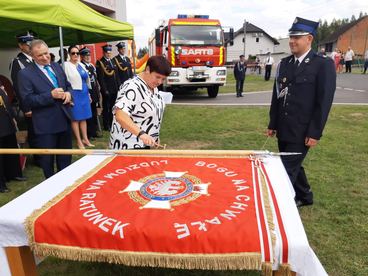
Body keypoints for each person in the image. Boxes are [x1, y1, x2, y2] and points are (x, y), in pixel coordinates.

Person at [267, 17, 336, 207]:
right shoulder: (285, 63)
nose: (292, 41)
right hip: (284, 127)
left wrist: (315, 133)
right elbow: (277, 96)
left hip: (303, 130)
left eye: (297, 37)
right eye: (291, 36)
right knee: (292, 162)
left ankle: (281, 204)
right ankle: (305, 196)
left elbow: (324, 102)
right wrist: (273, 123)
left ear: (309, 39)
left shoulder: (322, 65)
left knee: (286, 167)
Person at [18, 39, 73, 179]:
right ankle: (51, 189)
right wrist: (50, 95)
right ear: (32, 56)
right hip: (45, 126)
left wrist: (68, 94)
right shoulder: (25, 74)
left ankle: (66, 185)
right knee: (47, 162)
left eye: (46, 53)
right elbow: (27, 99)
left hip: (64, 120)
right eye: (40, 55)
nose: (45, 57)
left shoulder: (56, 66)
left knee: (65, 159)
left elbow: (67, 86)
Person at [109, 56, 171, 149]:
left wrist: (154, 136)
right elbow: (120, 115)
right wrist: (142, 134)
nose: (160, 82)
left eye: (163, 79)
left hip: (144, 144)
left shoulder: (152, 86)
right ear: (147, 69)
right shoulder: (132, 87)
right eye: (157, 77)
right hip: (128, 146)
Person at [9, 31, 39, 165]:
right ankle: (38, 158)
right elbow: (18, 88)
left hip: (40, 101)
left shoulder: (34, 60)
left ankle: (44, 154)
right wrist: (26, 107)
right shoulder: (18, 62)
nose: (30, 46)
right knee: (34, 131)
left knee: (41, 129)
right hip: (30, 104)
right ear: (21, 46)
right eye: (28, 45)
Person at [64, 45, 93, 149]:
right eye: (73, 53)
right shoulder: (65, 65)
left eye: (77, 53)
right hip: (74, 93)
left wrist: (88, 94)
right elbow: (64, 82)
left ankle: (85, 139)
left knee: (84, 118)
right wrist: (69, 96)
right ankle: (79, 141)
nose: (75, 55)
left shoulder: (81, 64)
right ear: (69, 54)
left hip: (84, 93)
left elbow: (85, 80)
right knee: (76, 119)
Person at [0, 85, 26, 193]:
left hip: (6, 122)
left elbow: (6, 101)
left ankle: (14, 174)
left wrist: (13, 117)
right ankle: (1, 184)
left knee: (11, 147)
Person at [96, 44, 121, 131]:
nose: (108, 54)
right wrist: (104, 89)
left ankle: (112, 122)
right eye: (107, 52)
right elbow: (101, 78)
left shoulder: (113, 61)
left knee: (113, 107)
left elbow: (116, 75)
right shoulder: (100, 62)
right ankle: (107, 125)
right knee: (106, 108)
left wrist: (119, 86)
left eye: (110, 53)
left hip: (114, 88)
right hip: (107, 89)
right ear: (104, 52)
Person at [80, 47, 101, 139]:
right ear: (82, 56)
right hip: (87, 92)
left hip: (94, 91)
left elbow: (95, 79)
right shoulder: (81, 66)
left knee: (94, 112)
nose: (88, 57)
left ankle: (94, 131)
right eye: (85, 55)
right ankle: (89, 134)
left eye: (89, 55)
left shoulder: (91, 65)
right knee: (89, 114)